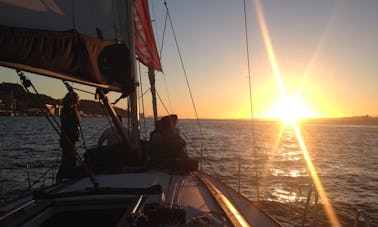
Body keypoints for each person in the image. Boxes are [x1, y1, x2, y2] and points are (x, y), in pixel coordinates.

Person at [57, 91, 80, 179]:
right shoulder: (68, 110)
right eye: (77, 99)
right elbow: (68, 124)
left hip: (68, 138)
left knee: (68, 158)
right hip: (68, 138)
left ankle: (63, 177)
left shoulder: (68, 109)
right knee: (69, 159)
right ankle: (64, 177)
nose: (78, 101)